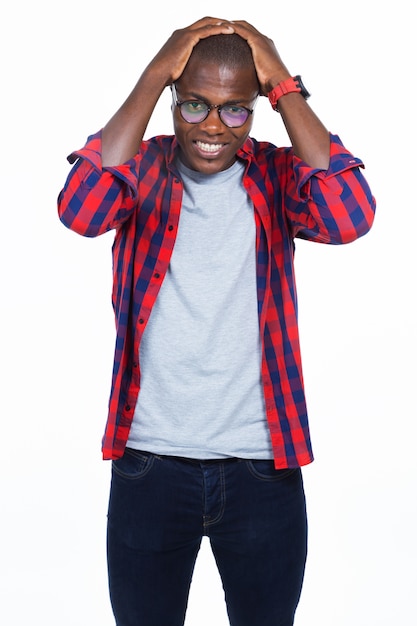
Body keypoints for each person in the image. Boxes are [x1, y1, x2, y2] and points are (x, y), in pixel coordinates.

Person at [57, 16, 376, 626]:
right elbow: (81, 208)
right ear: (174, 102)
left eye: (236, 110)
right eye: (195, 104)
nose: (212, 126)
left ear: (256, 111)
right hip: (149, 464)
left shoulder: (279, 176)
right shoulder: (142, 170)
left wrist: (281, 79)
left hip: (262, 467)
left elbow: (350, 217)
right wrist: (155, 73)